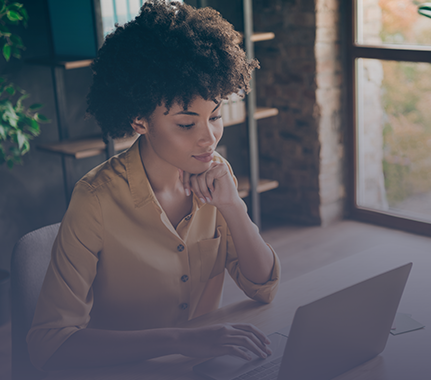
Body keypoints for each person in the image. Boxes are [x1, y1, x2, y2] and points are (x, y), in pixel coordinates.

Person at [26, 0, 280, 371]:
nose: (209, 138)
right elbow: (49, 343)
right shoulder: (95, 200)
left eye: (216, 116)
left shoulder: (215, 174)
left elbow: (263, 286)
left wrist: (233, 207)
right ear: (140, 120)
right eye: (186, 123)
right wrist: (179, 339)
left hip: (201, 370)